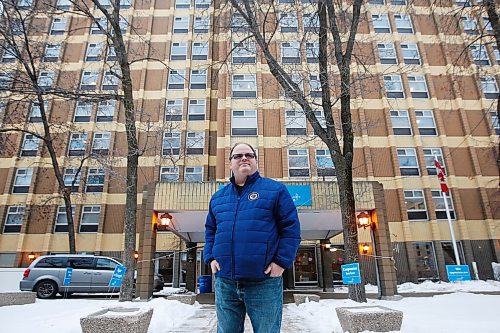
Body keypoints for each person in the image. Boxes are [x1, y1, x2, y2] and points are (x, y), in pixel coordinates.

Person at [204, 142, 301, 333]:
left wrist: (280, 263)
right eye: (238, 156)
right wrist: (211, 257)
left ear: (256, 161)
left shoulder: (276, 191)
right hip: (225, 282)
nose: (244, 158)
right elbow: (210, 230)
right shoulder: (218, 197)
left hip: (263, 282)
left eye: (249, 155)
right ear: (230, 163)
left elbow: (291, 229)